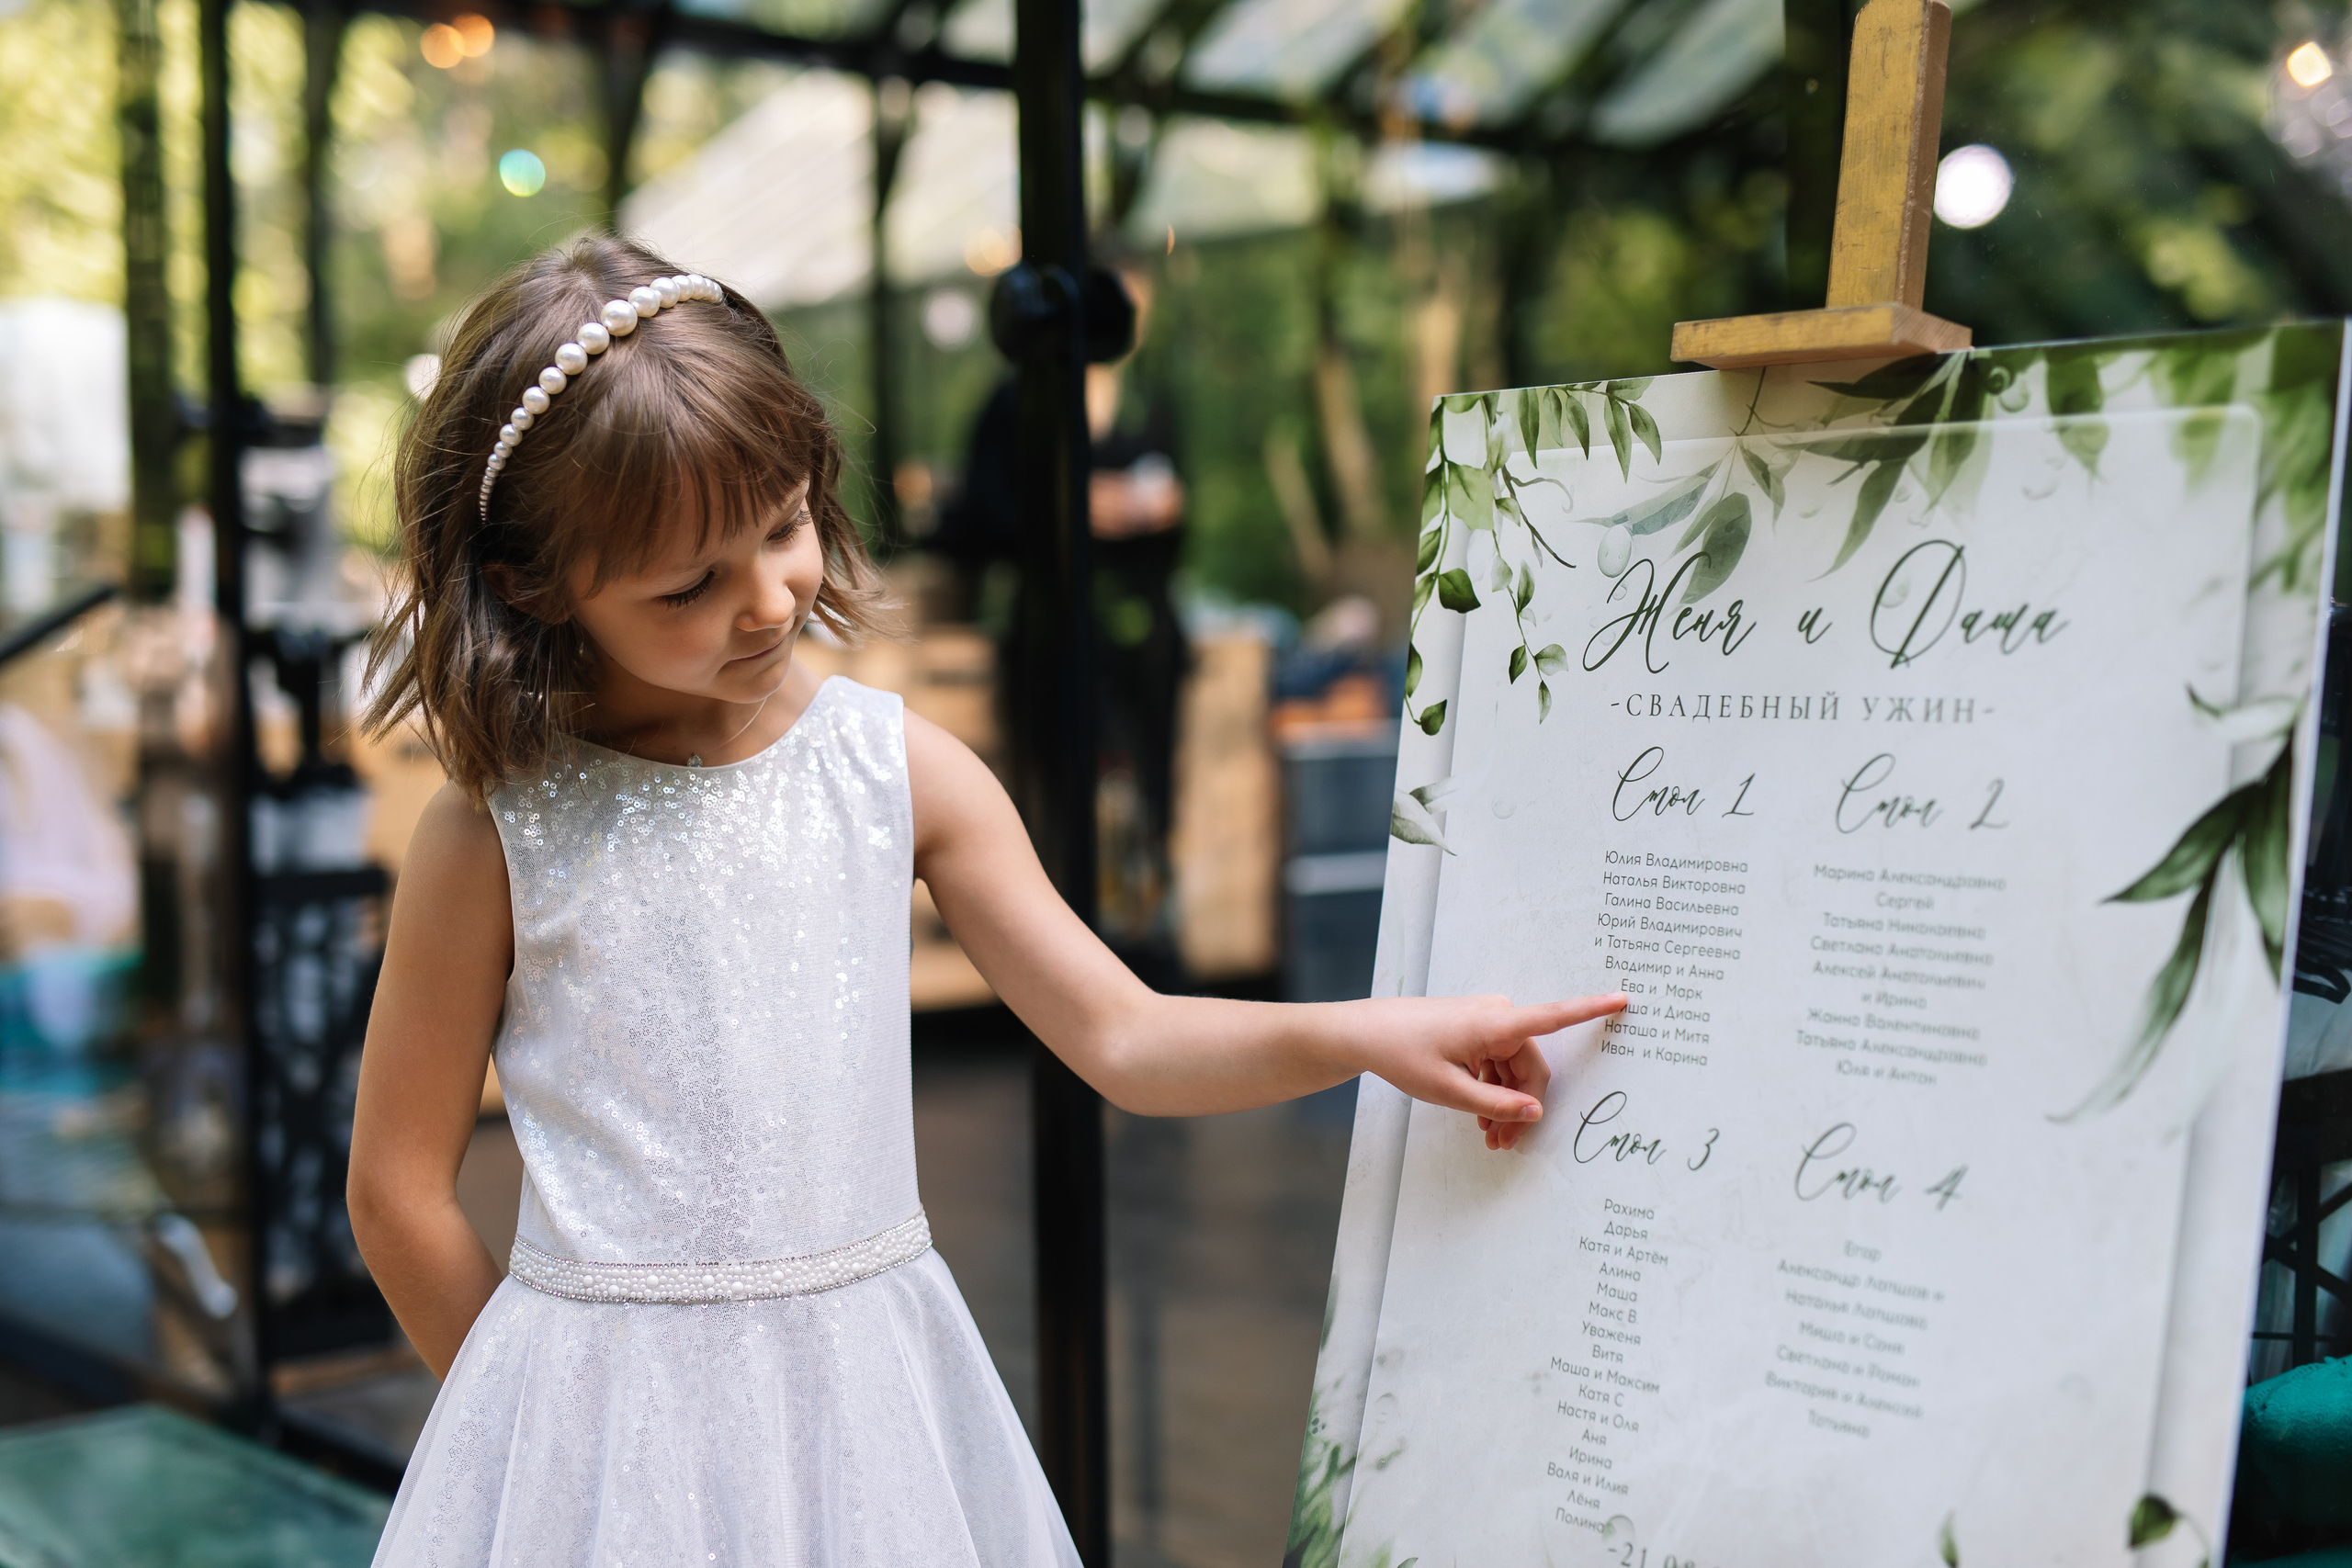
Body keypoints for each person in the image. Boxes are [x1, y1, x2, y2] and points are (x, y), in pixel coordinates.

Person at [346, 234, 1625, 1565]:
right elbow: (396, 1191)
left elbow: (1123, 1035)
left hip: (869, 1429)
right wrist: (534, 1443)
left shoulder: (895, 770)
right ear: (534, 585)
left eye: (782, 526)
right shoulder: (496, 831)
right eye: (689, 585)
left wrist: (1367, 1031)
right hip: (595, 1457)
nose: (770, 598)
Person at [933, 253, 1186, 953]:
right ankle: (1067, 958)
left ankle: (1147, 946)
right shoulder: (1018, 402)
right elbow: (979, 521)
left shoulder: (1148, 400)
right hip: (1054, 631)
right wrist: (1071, 513)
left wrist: (1156, 511)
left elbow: (1177, 514)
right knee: (1065, 797)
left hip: (1143, 633)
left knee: (1150, 791)